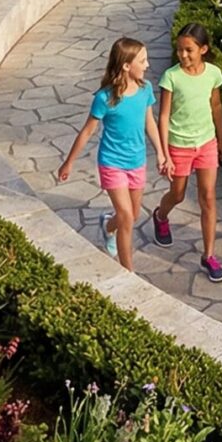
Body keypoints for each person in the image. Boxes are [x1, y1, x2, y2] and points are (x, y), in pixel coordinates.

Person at [58, 36, 167, 272]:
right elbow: (87, 131)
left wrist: (160, 153)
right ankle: (128, 272)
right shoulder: (104, 98)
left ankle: (108, 225)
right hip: (112, 163)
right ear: (127, 66)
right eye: (143, 61)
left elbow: (149, 122)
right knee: (127, 216)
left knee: (133, 214)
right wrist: (68, 163)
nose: (148, 65)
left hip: (136, 162)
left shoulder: (145, 89)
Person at [151, 22, 222, 281]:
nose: (183, 56)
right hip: (179, 145)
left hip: (206, 143)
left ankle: (208, 255)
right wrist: (164, 154)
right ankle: (161, 215)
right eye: (180, 50)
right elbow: (163, 117)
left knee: (208, 198)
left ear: (203, 49)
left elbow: (216, 106)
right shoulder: (171, 77)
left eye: (189, 50)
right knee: (178, 194)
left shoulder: (213, 74)